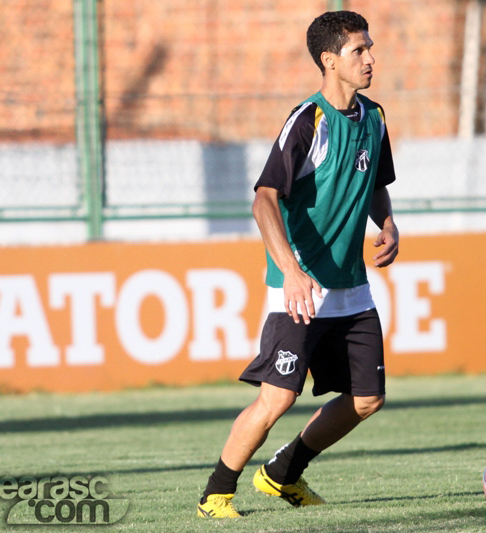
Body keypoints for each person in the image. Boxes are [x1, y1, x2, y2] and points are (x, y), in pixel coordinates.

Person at [196, 10, 399, 519]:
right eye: (359, 51)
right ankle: (216, 494)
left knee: (367, 399)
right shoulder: (307, 122)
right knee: (277, 399)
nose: (370, 58)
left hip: (351, 288)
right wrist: (289, 269)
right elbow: (264, 199)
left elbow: (374, 183)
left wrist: (388, 225)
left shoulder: (373, 118)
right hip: (300, 288)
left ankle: (282, 474)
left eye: (370, 47)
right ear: (330, 62)